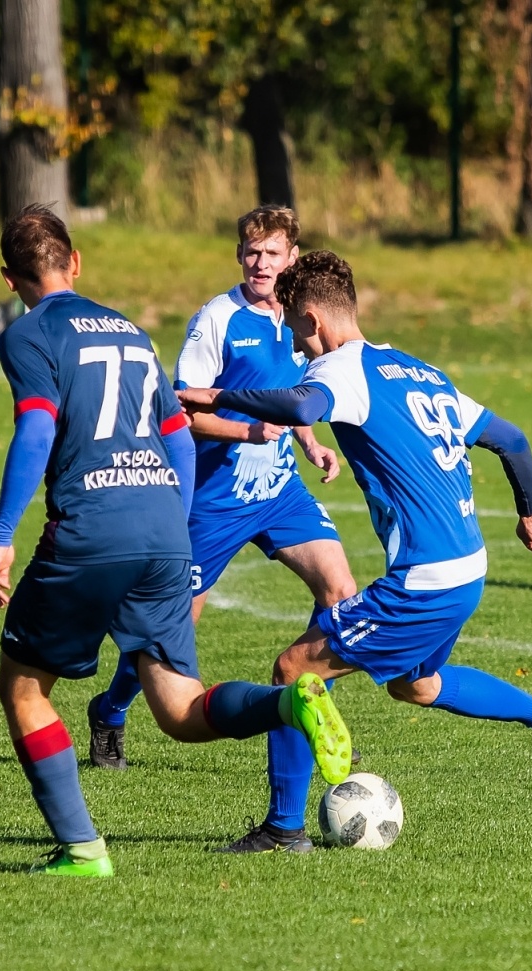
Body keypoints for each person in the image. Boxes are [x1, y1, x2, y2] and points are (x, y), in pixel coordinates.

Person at [0, 205, 353, 878]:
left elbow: (36, 430)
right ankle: (289, 700)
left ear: (10, 280)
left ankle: (83, 849)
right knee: (180, 709)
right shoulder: (129, 328)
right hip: (163, 525)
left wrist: (3, 533)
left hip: (91, 526)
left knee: (24, 687)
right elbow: (179, 432)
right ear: (76, 262)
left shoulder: (29, 335)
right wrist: (173, 519)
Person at [178, 251, 532, 800]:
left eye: (296, 331)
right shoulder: (419, 369)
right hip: (467, 569)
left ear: (312, 320)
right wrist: (529, 509)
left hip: (422, 583)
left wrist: (220, 396)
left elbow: (303, 408)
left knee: (293, 671)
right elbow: (512, 439)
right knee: (416, 685)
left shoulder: (341, 369)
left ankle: (283, 829)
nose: (298, 347)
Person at [86, 205, 358, 855]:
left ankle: (303, 684)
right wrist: (247, 430)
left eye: (270, 252)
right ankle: (113, 708)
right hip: (213, 500)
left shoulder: (297, 320)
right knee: (174, 638)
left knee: (341, 592)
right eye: (249, 252)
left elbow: (290, 399)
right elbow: (183, 409)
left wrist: (310, 443)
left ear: (293, 256)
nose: (258, 263)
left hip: (279, 493)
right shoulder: (217, 319)